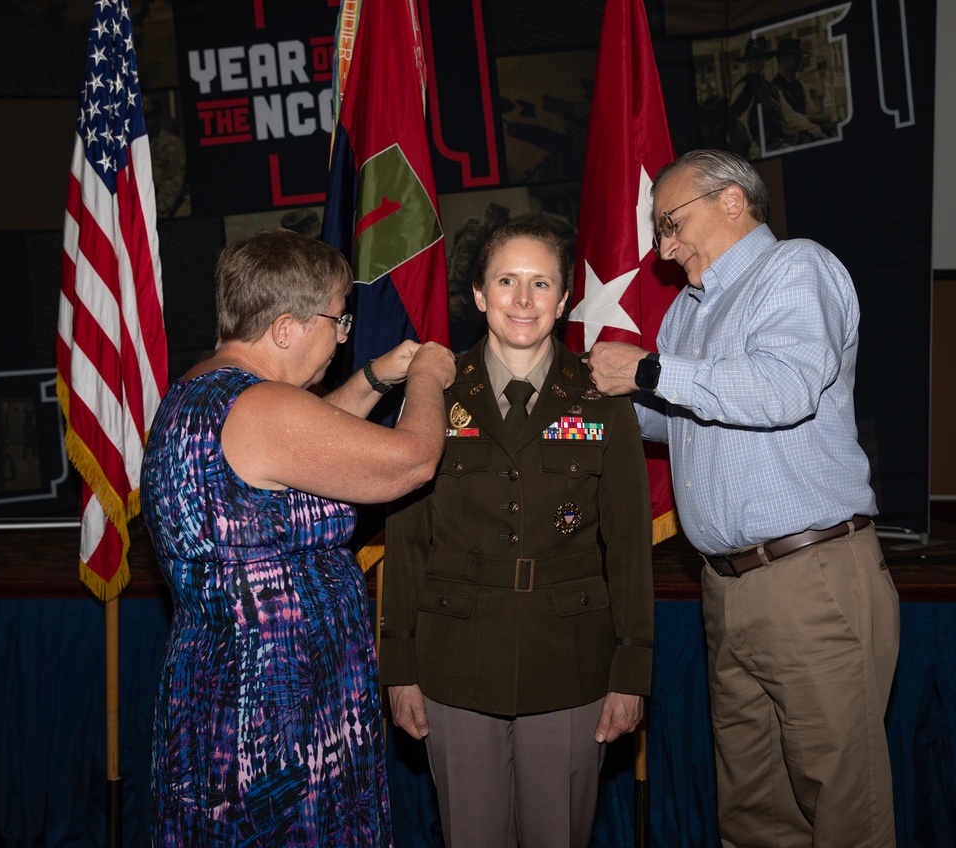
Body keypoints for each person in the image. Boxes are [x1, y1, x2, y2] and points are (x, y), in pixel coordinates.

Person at [584, 149, 899, 848]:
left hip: (810, 579)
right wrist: (606, 400)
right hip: (727, 588)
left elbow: (781, 391)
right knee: (755, 811)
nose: (663, 250)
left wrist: (648, 369)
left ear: (732, 200)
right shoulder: (687, 314)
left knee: (845, 808)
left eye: (671, 223)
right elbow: (685, 418)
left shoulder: (794, 269)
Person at [140, 227, 456, 847]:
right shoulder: (259, 409)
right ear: (285, 328)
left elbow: (307, 446)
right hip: (277, 716)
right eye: (337, 322)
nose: (341, 338)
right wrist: (427, 376)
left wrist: (371, 378)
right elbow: (411, 460)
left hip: (223, 688)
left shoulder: (205, 392)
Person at [379, 222, 654, 848]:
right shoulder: (435, 392)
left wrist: (631, 670)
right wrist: (398, 664)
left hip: (571, 664)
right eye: (506, 281)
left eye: (541, 284)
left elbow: (631, 547)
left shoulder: (603, 399)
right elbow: (408, 538)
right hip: (455, 663)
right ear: (478, 294)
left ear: (562, 302)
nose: (523, 300)